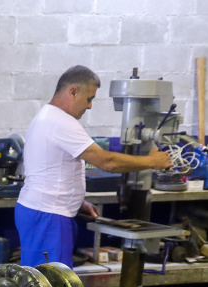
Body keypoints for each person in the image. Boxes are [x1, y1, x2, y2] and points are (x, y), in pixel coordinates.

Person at [16, 65, 172, 267]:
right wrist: (152, 162)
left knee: (42, 283)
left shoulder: (47, 117)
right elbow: (107, 161)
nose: (90, 106)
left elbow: (50, 169)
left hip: (42, 212)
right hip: (49, 217)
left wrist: (77, 200)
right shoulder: (60, 122)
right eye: (89, 99)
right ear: (73, 92)